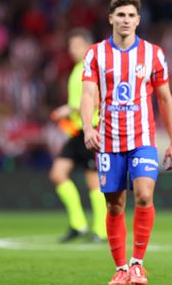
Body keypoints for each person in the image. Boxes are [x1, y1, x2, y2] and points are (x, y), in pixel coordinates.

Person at [81, 0, 172, 285]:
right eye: (120, 15)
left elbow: (165, 98)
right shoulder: (95, 54)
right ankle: (120, 268)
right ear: (111, 18)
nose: (126, 20)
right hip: (108, 141)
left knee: (145, 195)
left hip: (142, 138)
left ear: (138, 20)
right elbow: (88, 94)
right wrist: (88, 127)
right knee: (114, 206)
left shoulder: (153, 53)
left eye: (131, 15)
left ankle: (137, 264)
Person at [49, 28, 107, 243]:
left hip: (93, 129)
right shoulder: (76, 69)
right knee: (57, 174)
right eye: (70, 46)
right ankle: (79, 224)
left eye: (75, 46)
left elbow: (98, 98)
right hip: (77, 131)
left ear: (87, 46)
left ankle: (100, 231)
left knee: (94, 181)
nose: (71, 50)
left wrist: (69, 109)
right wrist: (70, 110)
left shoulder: (95, 68)